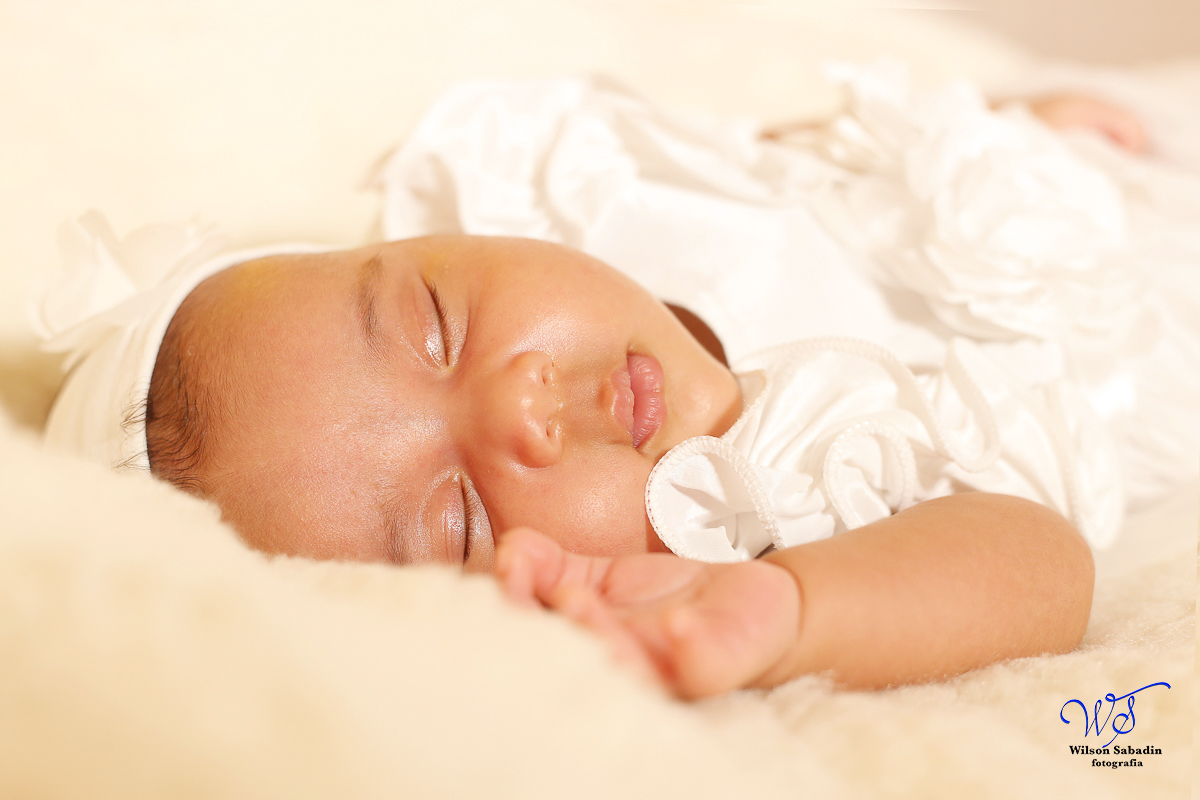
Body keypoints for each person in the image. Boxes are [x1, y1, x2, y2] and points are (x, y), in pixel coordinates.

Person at [36, 66, 1197, 698]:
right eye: (458, 516)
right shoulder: (766, 501)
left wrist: (992, 134)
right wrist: (793, 611)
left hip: (1097, 158)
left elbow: (770, 171)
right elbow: (1038, 556)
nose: (519, 406)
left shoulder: (573, 195)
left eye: (437, 324)